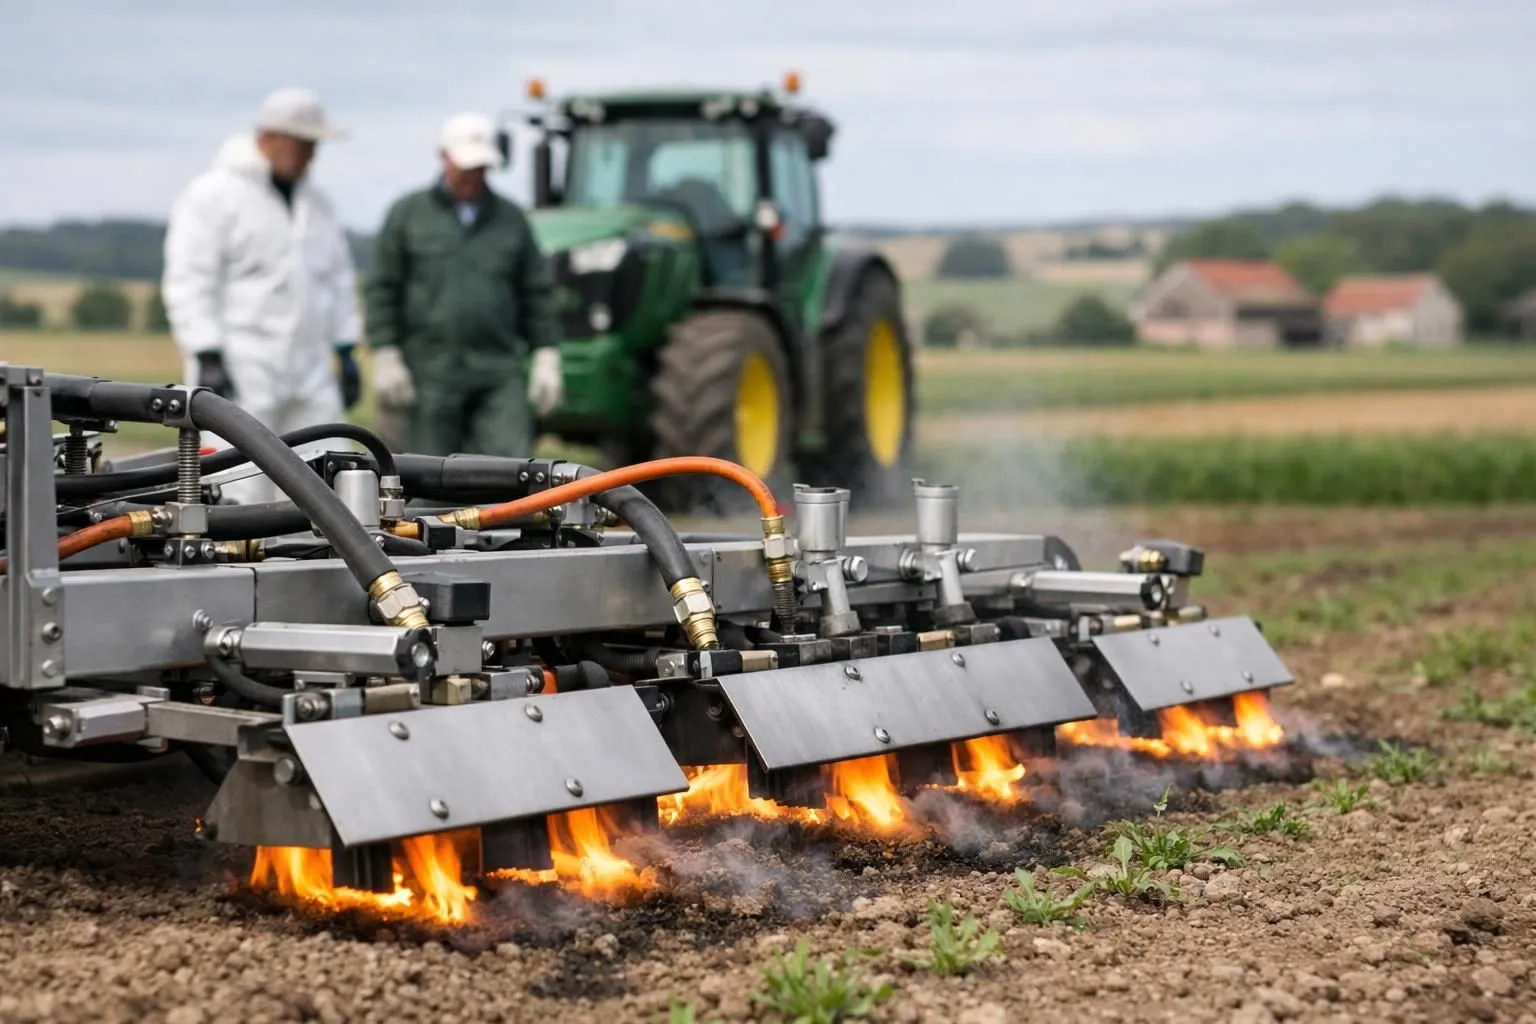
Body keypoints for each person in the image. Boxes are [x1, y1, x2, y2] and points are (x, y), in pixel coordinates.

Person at [161, 87, 362, 503]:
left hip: (309, 371)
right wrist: (207, 352)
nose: (311, 156)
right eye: (303, 144)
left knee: (329, 477)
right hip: (242, 370)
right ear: (270, 138)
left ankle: (317, 562)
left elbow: (337, 280)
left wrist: (346, 350)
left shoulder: (317, 204)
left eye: (314, 146)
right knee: (240, 482)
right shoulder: (215, 195)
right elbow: (190, 278)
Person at [364, 111, 561, 457]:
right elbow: (382, 288)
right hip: (429, 370)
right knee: (427, 478)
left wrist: (546, 354)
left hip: (497, 371)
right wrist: (385, 353)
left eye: (480, 168)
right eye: (466, 167)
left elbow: (535, 293)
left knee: (511, 474)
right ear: (444, 159)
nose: (473, 176)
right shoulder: (408, 215)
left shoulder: (511, 220)